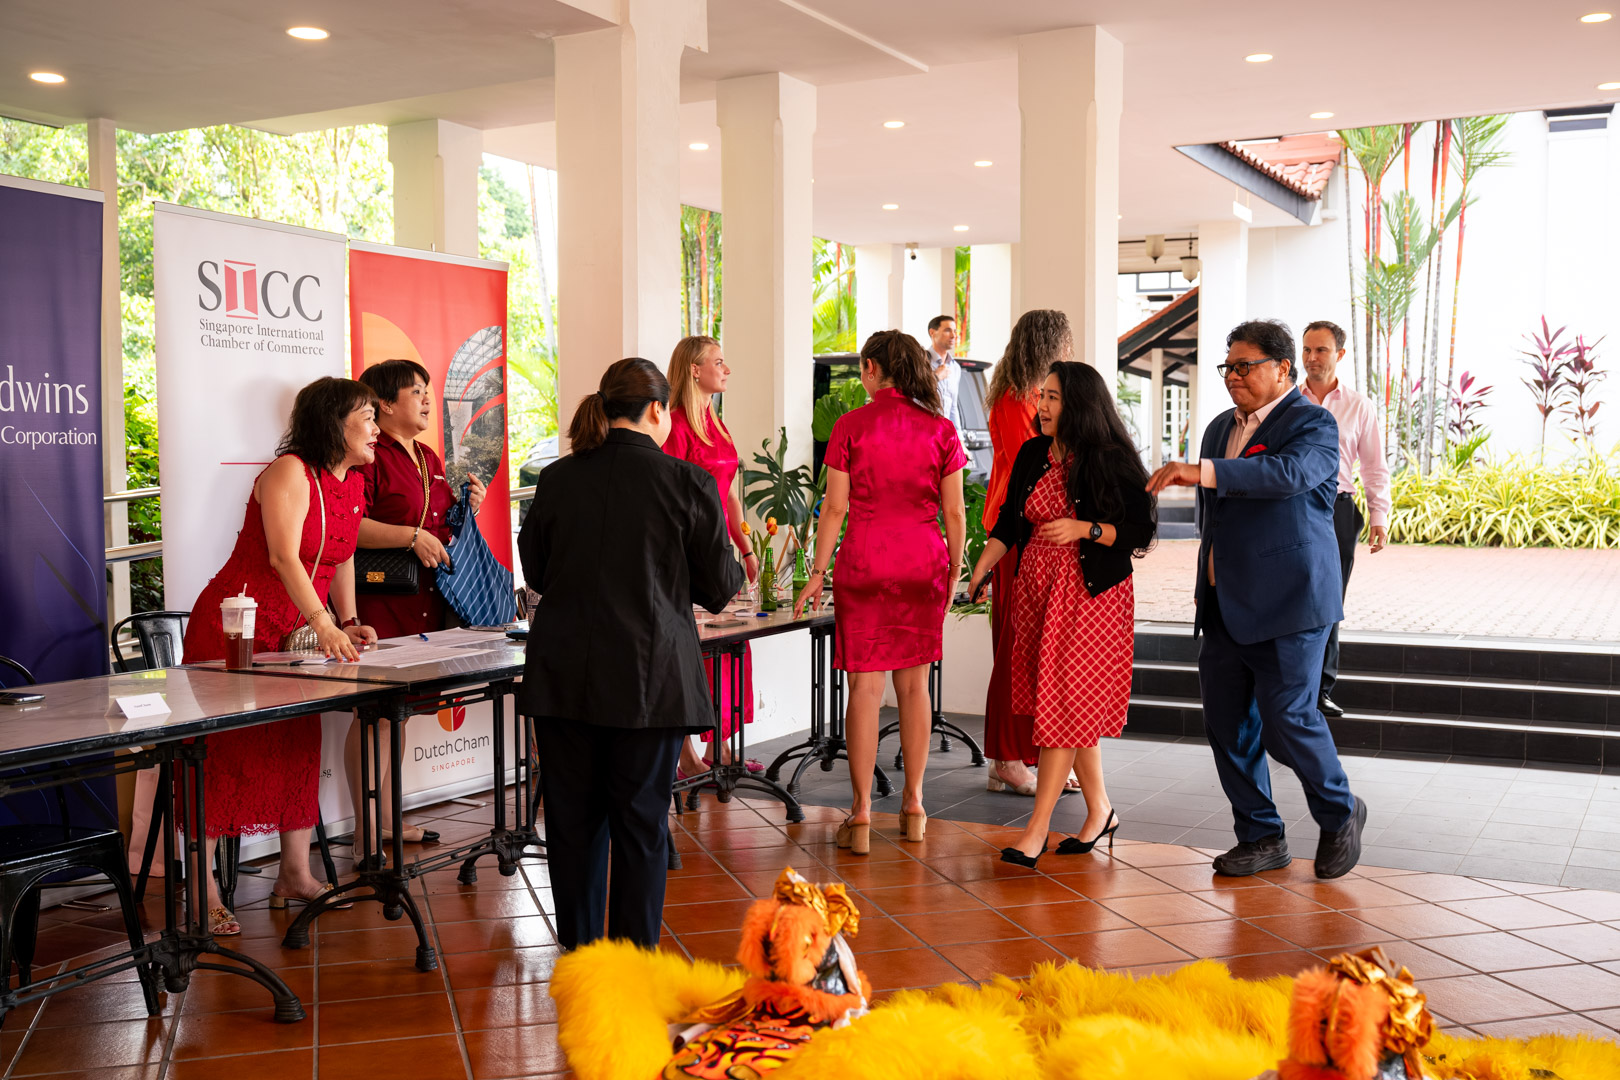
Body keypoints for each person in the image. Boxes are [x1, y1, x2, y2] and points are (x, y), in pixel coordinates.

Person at [517, 357, 742, 950]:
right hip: (649, 677)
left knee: (572, 827)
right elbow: (720, 587)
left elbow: (536, 571)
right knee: (641, 827)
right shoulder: (687, 481)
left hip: (564, 676)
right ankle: (633, 966)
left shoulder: (557, 478)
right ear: (657, 410)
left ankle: (581, 959)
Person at [1146, 319, 1367, 880]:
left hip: (1291, 602)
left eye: (1245, 366)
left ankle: (1340, 811)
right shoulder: (1219, 428)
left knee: (1288, 719)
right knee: (1228, 726)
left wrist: (1201, 471)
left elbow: (1285, 474)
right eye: (1228, 367)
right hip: (1224, 602)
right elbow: (1216, 516)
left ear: (1283, 368)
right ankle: (1261, 835)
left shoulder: (1313, 423)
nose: (1233, 376)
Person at [180, 377, 381, 935]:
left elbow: (341, 556)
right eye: (367, 417)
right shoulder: (291, 471)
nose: (376, 428)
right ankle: (201, 891)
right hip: (236, 628)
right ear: (333, 422)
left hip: (296, 632)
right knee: (222, 756)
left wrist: (347, 620)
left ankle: (293, 873)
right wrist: (323, 622)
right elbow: (283, 557)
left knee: (297, 742)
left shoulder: (352, 482)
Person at [969, 361, 1154, 867]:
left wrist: (1084, 529)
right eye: (1043, 395)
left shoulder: (1110, 457)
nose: (1043, 405)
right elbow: (1009, 524)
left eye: (1053, 397)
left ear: (1079, 405)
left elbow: (1139, 531)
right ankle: (1101, 811)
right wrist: (981, 568)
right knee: (1069, 707)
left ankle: (1036, 830)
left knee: (1063, 708)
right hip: (1037, 593)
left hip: (1090, 598)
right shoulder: (1033, 453)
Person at [796, 330, 967, 855]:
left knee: (865, 690)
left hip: (866, 561)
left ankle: (863, 813)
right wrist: (954, 569)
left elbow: (835, 508)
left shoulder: (850, 426)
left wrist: (817, 571)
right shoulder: (940, 429)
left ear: (871, 368)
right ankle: (914, 805)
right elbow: (955, 511)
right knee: (914, 688)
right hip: (922, 563)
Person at [347, 358, 487, 850]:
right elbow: (350, 525)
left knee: (398, 712)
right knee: (374, 715)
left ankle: (388, 820)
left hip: (426, 601)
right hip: (381, 603)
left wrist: (467, 509)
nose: (428, 399)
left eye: (428, 389)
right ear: (384, 404)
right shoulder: (369, 454)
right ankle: (365, 831)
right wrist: (409, 536)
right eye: (416, 391)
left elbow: (438, 528)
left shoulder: (427, 456)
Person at [980, 309, 1074, 797]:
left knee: (1037, 647)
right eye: (1064, 342)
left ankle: (1030, 754)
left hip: (1037, 535)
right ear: (1049, 344)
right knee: (1015, 647)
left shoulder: (1028, 395)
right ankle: (1007, 757)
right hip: (1016, 536)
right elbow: (1033, 475)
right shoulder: (1018, 401)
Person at [662, 336, 761, 778]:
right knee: (689, 651)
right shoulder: (675, 425)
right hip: (688, 555)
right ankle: (686, 755)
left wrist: (747, 547)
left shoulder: (717, 424)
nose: (727, 369)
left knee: (728, 645)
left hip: (719, 550)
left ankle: (718, 744)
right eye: (718, 362)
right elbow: (668, 501)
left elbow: (731, 496)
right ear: (694, 370)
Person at [1299, 321, 1390, 718]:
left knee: (1329, 600)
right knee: (1291, 596)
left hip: (1337, 509)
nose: (1311, 358)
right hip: (1293, 506)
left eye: (1320, 350)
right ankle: (1290, 684)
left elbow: (1374, 465)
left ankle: (1321, 689)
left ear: (1339, 354)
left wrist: (1378, 514)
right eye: (1306, 350)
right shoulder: (1287, 400)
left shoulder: (1358, 406)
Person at [926, 314, 964, 436]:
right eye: (947, 330)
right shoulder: (921, 361)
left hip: (944, 436)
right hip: (924, 434)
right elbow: (912, 395)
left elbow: (953, 407)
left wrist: (959, 439)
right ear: (932, 332)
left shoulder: (955, 368)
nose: (953, 335)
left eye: (955, 331)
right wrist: (935, 377)